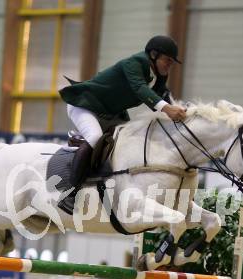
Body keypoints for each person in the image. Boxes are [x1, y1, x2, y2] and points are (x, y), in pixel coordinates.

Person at [58, 35, 186, 214]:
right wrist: (168, 109)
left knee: (129, 142)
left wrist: (180, 112)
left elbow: (163, 96)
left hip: (111, 114)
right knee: (95, 137)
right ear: (154, 55)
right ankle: (69, 193)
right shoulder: (134, 63)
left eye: (172, 62)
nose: (169, 65)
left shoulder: (159, 75)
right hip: (85, 105)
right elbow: (140, 89)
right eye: (167, 60)